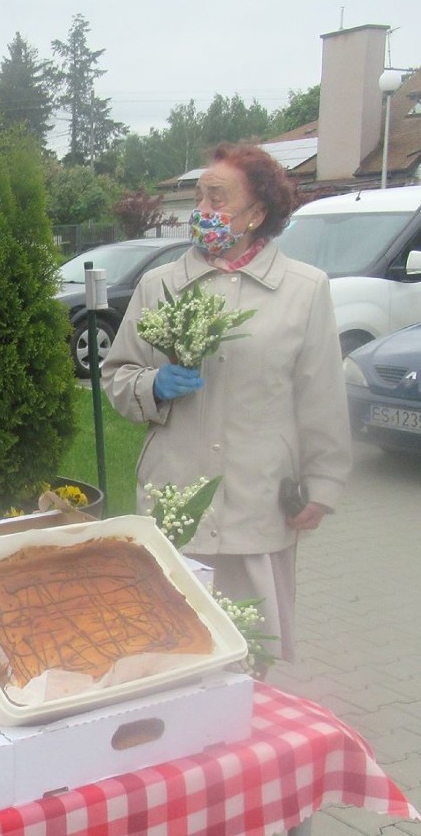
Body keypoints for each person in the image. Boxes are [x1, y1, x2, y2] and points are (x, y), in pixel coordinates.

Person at [102, 141, 352, 668]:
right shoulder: (160, 284)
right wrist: (151, 386)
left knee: (247, 656)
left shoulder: (304, 291)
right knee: (167, 652)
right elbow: (116, 375)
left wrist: (325, 484)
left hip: (256, 505)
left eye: (217, 198)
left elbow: (322, 397)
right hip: (176, 500)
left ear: (257, 212)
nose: (203, 212)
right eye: (200, 198)